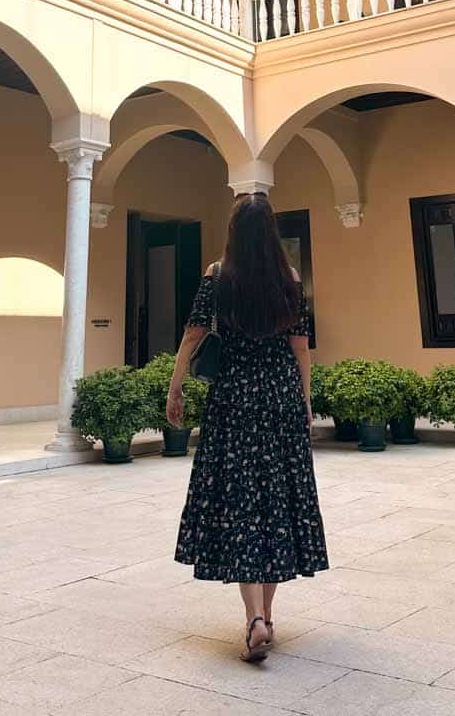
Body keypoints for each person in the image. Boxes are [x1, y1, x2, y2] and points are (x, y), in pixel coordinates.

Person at [168, 192, 328, 663]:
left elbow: (193, 334)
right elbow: (301, 348)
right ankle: (266, 618)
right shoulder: (290, 279)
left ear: (234, 232)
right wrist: (304, 401)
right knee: (276, 499)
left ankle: (254, 617)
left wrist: (175, 388)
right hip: (278, 398)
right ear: (271, 234)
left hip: (234, 400)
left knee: (240, 501)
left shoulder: (218, 276)